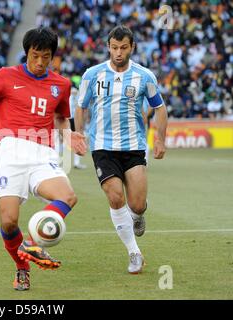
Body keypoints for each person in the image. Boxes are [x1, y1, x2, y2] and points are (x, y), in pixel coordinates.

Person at [0, 27, 87, 291]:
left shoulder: (61, 85)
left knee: (68, 197)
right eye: (35, 55)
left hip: (43, 152)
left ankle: (32, 242)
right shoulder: (5, 76)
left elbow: (60, 118)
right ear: (26, 53)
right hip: (11, 150)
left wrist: (69, 136)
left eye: (46, 57)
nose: (40, 62)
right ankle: (22, 268)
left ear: (53, 56)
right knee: (8, 222)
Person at [75, 25, 168, 274]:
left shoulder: (144, 76)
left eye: (123, 47)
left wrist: (160, 138)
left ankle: (138, 215)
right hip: (102, 146)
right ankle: (134, 252)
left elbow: (159, 107)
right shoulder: (92, 75)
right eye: (114, 48)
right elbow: (81, 106)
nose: (118, 52)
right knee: (116, 197)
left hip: (133, 146)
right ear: (108, 47)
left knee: (136, 204)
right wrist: (78, 134)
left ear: (132, 47)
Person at [69, 86, 87, 169]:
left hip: (72, 119)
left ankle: (76, 163)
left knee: (76, 141)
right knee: (73, 141)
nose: (74, 92)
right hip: (69, 119)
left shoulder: (77, 98)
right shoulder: (77, 98)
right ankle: (73, 162)